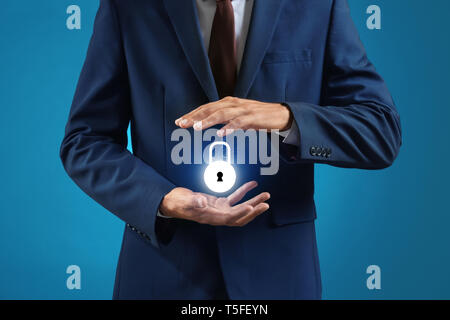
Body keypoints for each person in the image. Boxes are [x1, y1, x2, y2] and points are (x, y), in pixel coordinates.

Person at [60, 0, 401, 299]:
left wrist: (285, 117)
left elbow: (380, 131)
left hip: (280, 277)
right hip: (161, 275)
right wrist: (163, 200)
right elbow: (85, 141)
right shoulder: (129, 6)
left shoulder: (317, 5)